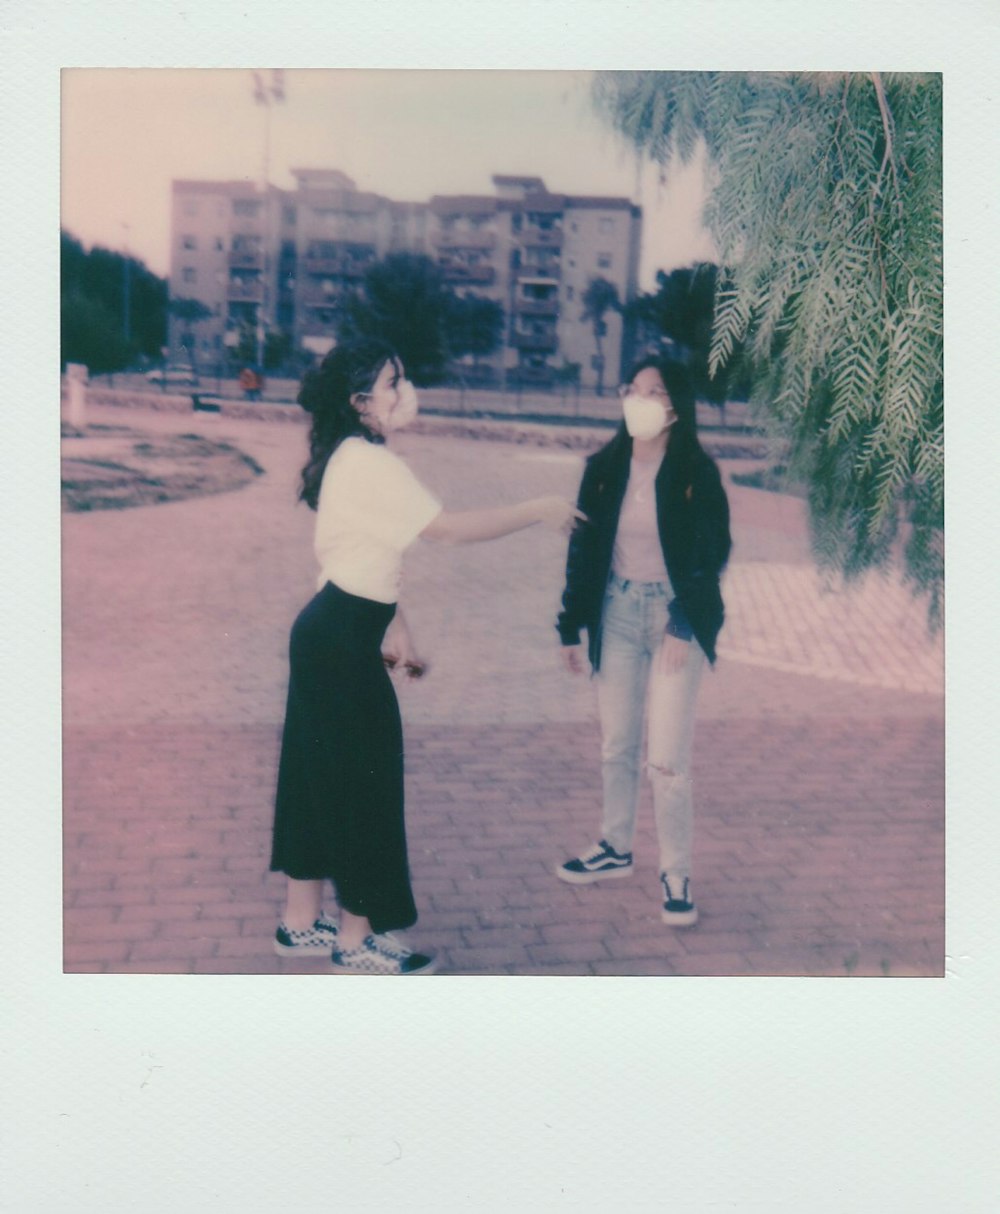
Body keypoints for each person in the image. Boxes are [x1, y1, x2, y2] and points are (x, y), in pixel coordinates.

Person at [270, 338, 582, 975]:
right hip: (340, 637)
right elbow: (446, 529)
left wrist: (397, 622)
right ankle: (356, 942)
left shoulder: (347, 456)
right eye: (391, 382)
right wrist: (535, 509)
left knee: (315, 777)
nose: (402, 392)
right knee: (365, 783)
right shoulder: (371, 463)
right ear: (361, 402)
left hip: (329, 628)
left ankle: (298, 922)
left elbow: (361, 553)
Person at [555, 355, 731, 926]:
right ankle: (615, 846)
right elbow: (583, 552)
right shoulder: (603, 467)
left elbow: (712, 553)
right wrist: (569, 625)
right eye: (632, 388)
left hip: (672, 619)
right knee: (617, 744)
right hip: (617, 613)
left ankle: (676, 872)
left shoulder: (696, 474)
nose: (638, 398)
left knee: (668, 760)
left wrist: (684, 621)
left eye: (652, 392)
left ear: (675, 410)